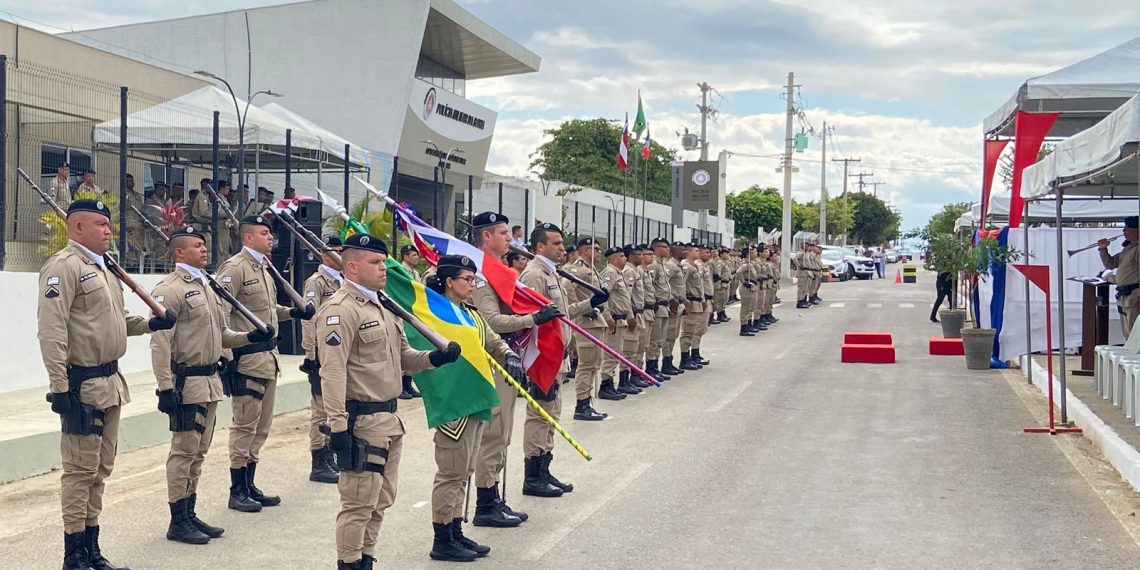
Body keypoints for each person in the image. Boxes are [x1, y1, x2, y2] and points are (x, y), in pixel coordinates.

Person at [39, 199, 176, 570]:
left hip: (111, 383)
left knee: (99, 471)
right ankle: (74, 555)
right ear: (77, 227)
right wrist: (60, 386)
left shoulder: (105, 269)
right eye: (100, 224)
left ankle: (92, 549)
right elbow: (51, 332)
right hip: (82, 386)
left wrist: (151, 324)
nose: (108, 231)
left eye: (108, 224)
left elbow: (117, 321)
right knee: (80, 472)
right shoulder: (63, 267)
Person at [315, 233, 461, 569]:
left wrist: (434, 358)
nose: (384, 268)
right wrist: (337, 426)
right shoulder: (340, 310)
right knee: (357, 503)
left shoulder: (383, 305)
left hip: (388, 419)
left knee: (380, 501)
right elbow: (332, 373)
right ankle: (349, 562)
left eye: (383, 261)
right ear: (352, 267)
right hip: (361, 420)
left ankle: (366, 559)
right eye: (375, 262)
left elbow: (402, 357)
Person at [150, 227, 275, 544]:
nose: (204, 249)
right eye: (196, 245)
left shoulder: (207, 285)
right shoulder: (170, 290)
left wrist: (249, 337)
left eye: (205, 244)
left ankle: (190, 512)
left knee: (200, 452)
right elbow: (160, 344)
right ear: (179, 252)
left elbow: (223, 334)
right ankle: (177, 519)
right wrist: (165, 387)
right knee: (183, 451)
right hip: (187, 382)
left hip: (209, 381)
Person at [424, 254, 524, 562]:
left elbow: (492, 341)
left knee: (465, 470)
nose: (473, 284)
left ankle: (455, 530)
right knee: (451, 472)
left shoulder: (471, 313)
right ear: (449, 282)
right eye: (467, 279)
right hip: (454, 399)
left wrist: (508, 355)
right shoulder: (434, 314)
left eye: (473, 279)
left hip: (477, 397)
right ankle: (442, 538)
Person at [216, 215, 314, 513]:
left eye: (270, 233)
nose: (270, 237)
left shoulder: (264, 268)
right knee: (245, 424)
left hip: (267, 358)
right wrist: (227, 356)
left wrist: (293, 313)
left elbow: (267, 311)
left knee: (261, 426)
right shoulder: (235, 268)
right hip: (247, 357)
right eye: (263, 232)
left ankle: (250, 482)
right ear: (247, 238)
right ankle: (237, 489)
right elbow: (220, 312)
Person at [469, 212, 544, 525]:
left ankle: (495, 497)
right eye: (503, 233)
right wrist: (533, 320)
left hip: (506, 358)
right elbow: (490, 322)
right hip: (491, 358)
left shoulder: (499, 270)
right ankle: (486, 504)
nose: (509, 238)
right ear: (486, 237)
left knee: (503, 434)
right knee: (494, 434)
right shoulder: (480, 274)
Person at [518, 223, 598, 496]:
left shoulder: (551, 273)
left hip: (558, 357)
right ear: (540, 247)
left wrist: (590, 304)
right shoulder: (534, 276)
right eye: (556, 244)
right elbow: (534, 322)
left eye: (562, 244)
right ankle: (533, 476)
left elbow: (560, 315)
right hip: (543, 356)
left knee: (551, 415)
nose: (563, 249)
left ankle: (544, 468)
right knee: (540, 416)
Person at [300, 237, 345, 485]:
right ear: (325, 254)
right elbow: (308, 318)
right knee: (320, 408)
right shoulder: (316, 282)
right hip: (321, 353)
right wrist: (310, 353)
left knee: (334, 405)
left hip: (338, 352)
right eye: (337, 252)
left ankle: (330, 455)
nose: (341, 256)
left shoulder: (343, 281)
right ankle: (319, 460)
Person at [563, 237, 615, 414]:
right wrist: (581, 308)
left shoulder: (590, 269)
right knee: (586, 365)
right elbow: (566, 286)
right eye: (595, 249)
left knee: (593, 365)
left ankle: (587, 401)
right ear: (585, 251)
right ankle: (582, 404)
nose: (599, 252)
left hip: (595, 322)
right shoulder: (578, 269)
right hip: (586, 322)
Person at [600, 246, 639, 394]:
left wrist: (630, 316)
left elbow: (625, 298)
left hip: (622, 319)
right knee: (611, 355)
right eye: (622, 256)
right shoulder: (610, 273)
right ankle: (605, 386)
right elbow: (602, 297)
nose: (625, 259)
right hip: (614, 320)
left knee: (617, 353)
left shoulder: (619, 273)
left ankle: (613, 384)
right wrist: (608, 318)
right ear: (614, 258)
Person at [1099, 215, 1139, 337]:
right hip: (1124, 296)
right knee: (1128, 334)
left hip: (1135, 295)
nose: (1123, 231)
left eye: (1127, 228)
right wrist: (1103, 249)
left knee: (1135, 335)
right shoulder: (1128, 249)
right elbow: (1110, 264)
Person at [397, 245, 424, 401]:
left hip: (413, 314)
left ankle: (408, 385)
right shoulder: (400, 271)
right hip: (403, 313)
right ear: (405, 257)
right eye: (413, 255)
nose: (416, 258)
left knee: (412, 347)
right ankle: (400, 386)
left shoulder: (415, 273)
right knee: (403, 347)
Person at [623, 245, 652, 388]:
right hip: (633, 314)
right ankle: (626, 380)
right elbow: (626, 296)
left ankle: (636, 374)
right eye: (638, 255)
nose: (642, 257)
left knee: (640, 348)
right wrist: (630, 316)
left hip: (641, 313)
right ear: (630, 257)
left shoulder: (636, 271)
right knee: (629, 350)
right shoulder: (629, 271)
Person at [645, 238, 673, 382]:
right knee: (654, 340)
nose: (667, 249)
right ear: (656, 248)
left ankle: (655, 367)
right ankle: (650, 368)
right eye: (664, 247)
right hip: (657, 306)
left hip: (664, 306)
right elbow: (649, 286)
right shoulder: (653, 265)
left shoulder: (662, 264)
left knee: (660, 339)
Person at [679, 244, 707, 370]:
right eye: (696, 251)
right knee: (687, 331)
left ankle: (691, 356)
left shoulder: (694, 265)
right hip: (690, 302)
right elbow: (682, 284)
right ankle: (685, 358)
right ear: (690, 252)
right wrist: (684, 300)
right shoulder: (686, 265)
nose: (698, 253)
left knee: (695, 330)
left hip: (697, 302)